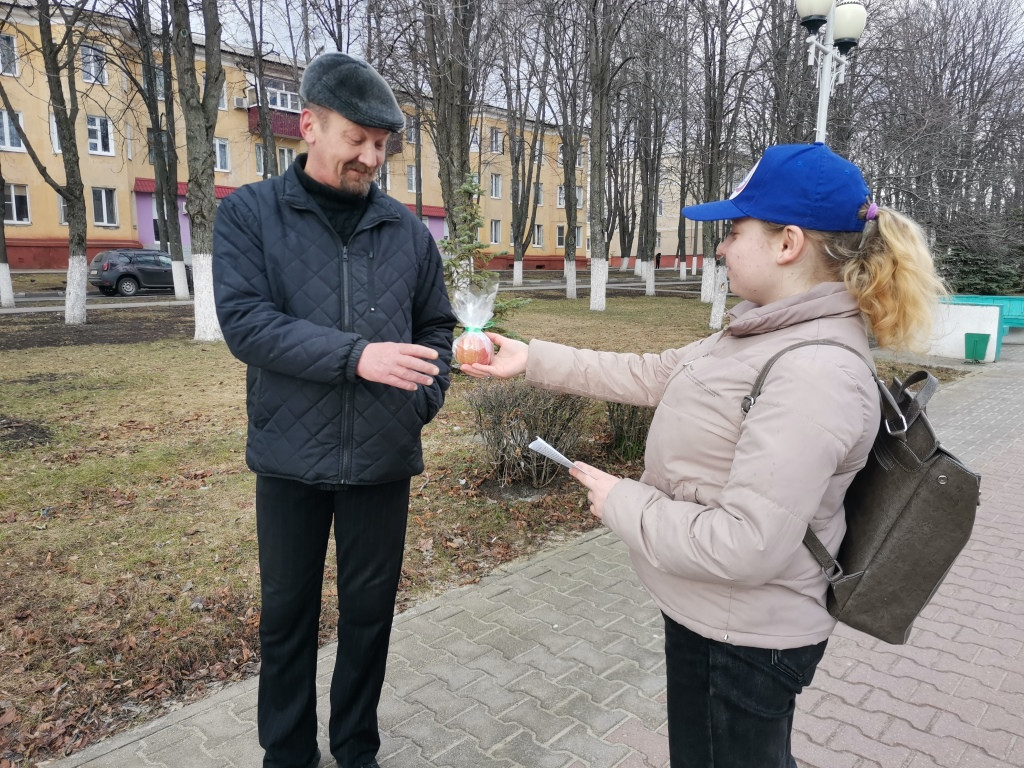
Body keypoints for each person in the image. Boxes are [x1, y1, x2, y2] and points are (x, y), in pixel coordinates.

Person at [461, 143, 944, 768]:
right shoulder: (764, 331)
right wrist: (534, 359)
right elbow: (654, 373)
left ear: (787, 242)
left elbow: (748, 543)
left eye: (734, 230)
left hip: (746, 637)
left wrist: (623, 501)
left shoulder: (815, 370)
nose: (720, 247)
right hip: (715, 613)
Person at [212, 52, 456, 768]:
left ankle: (356, 751)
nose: (371, 157)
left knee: (370, 619)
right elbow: (246, 323)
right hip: (290, 458)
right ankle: (288, 754)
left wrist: (422, 400)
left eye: (382, 144)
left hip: (382, 458)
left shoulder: (406, 230)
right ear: (309, 126)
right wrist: (360, 355)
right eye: (358, 139)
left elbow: (436, 325)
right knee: (287, 617)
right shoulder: (250, 214)